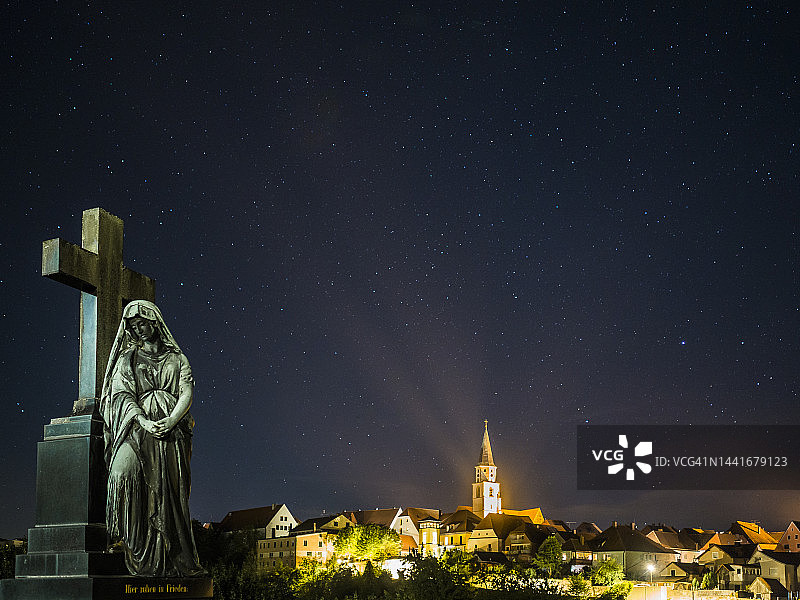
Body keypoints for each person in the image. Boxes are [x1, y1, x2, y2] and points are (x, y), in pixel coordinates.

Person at [99, 300, 204, 577]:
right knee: (122, 471)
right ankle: (126, 540)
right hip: (138, 427)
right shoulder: (128, 359)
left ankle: (171, 553)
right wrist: (144, 421)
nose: (140, 329)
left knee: (169, 491)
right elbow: (122, 395)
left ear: (156, 322)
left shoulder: (177, 358)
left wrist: (172, 420)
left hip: (171, 433)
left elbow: (186, 393)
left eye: (143, 323)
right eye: (134, 326)